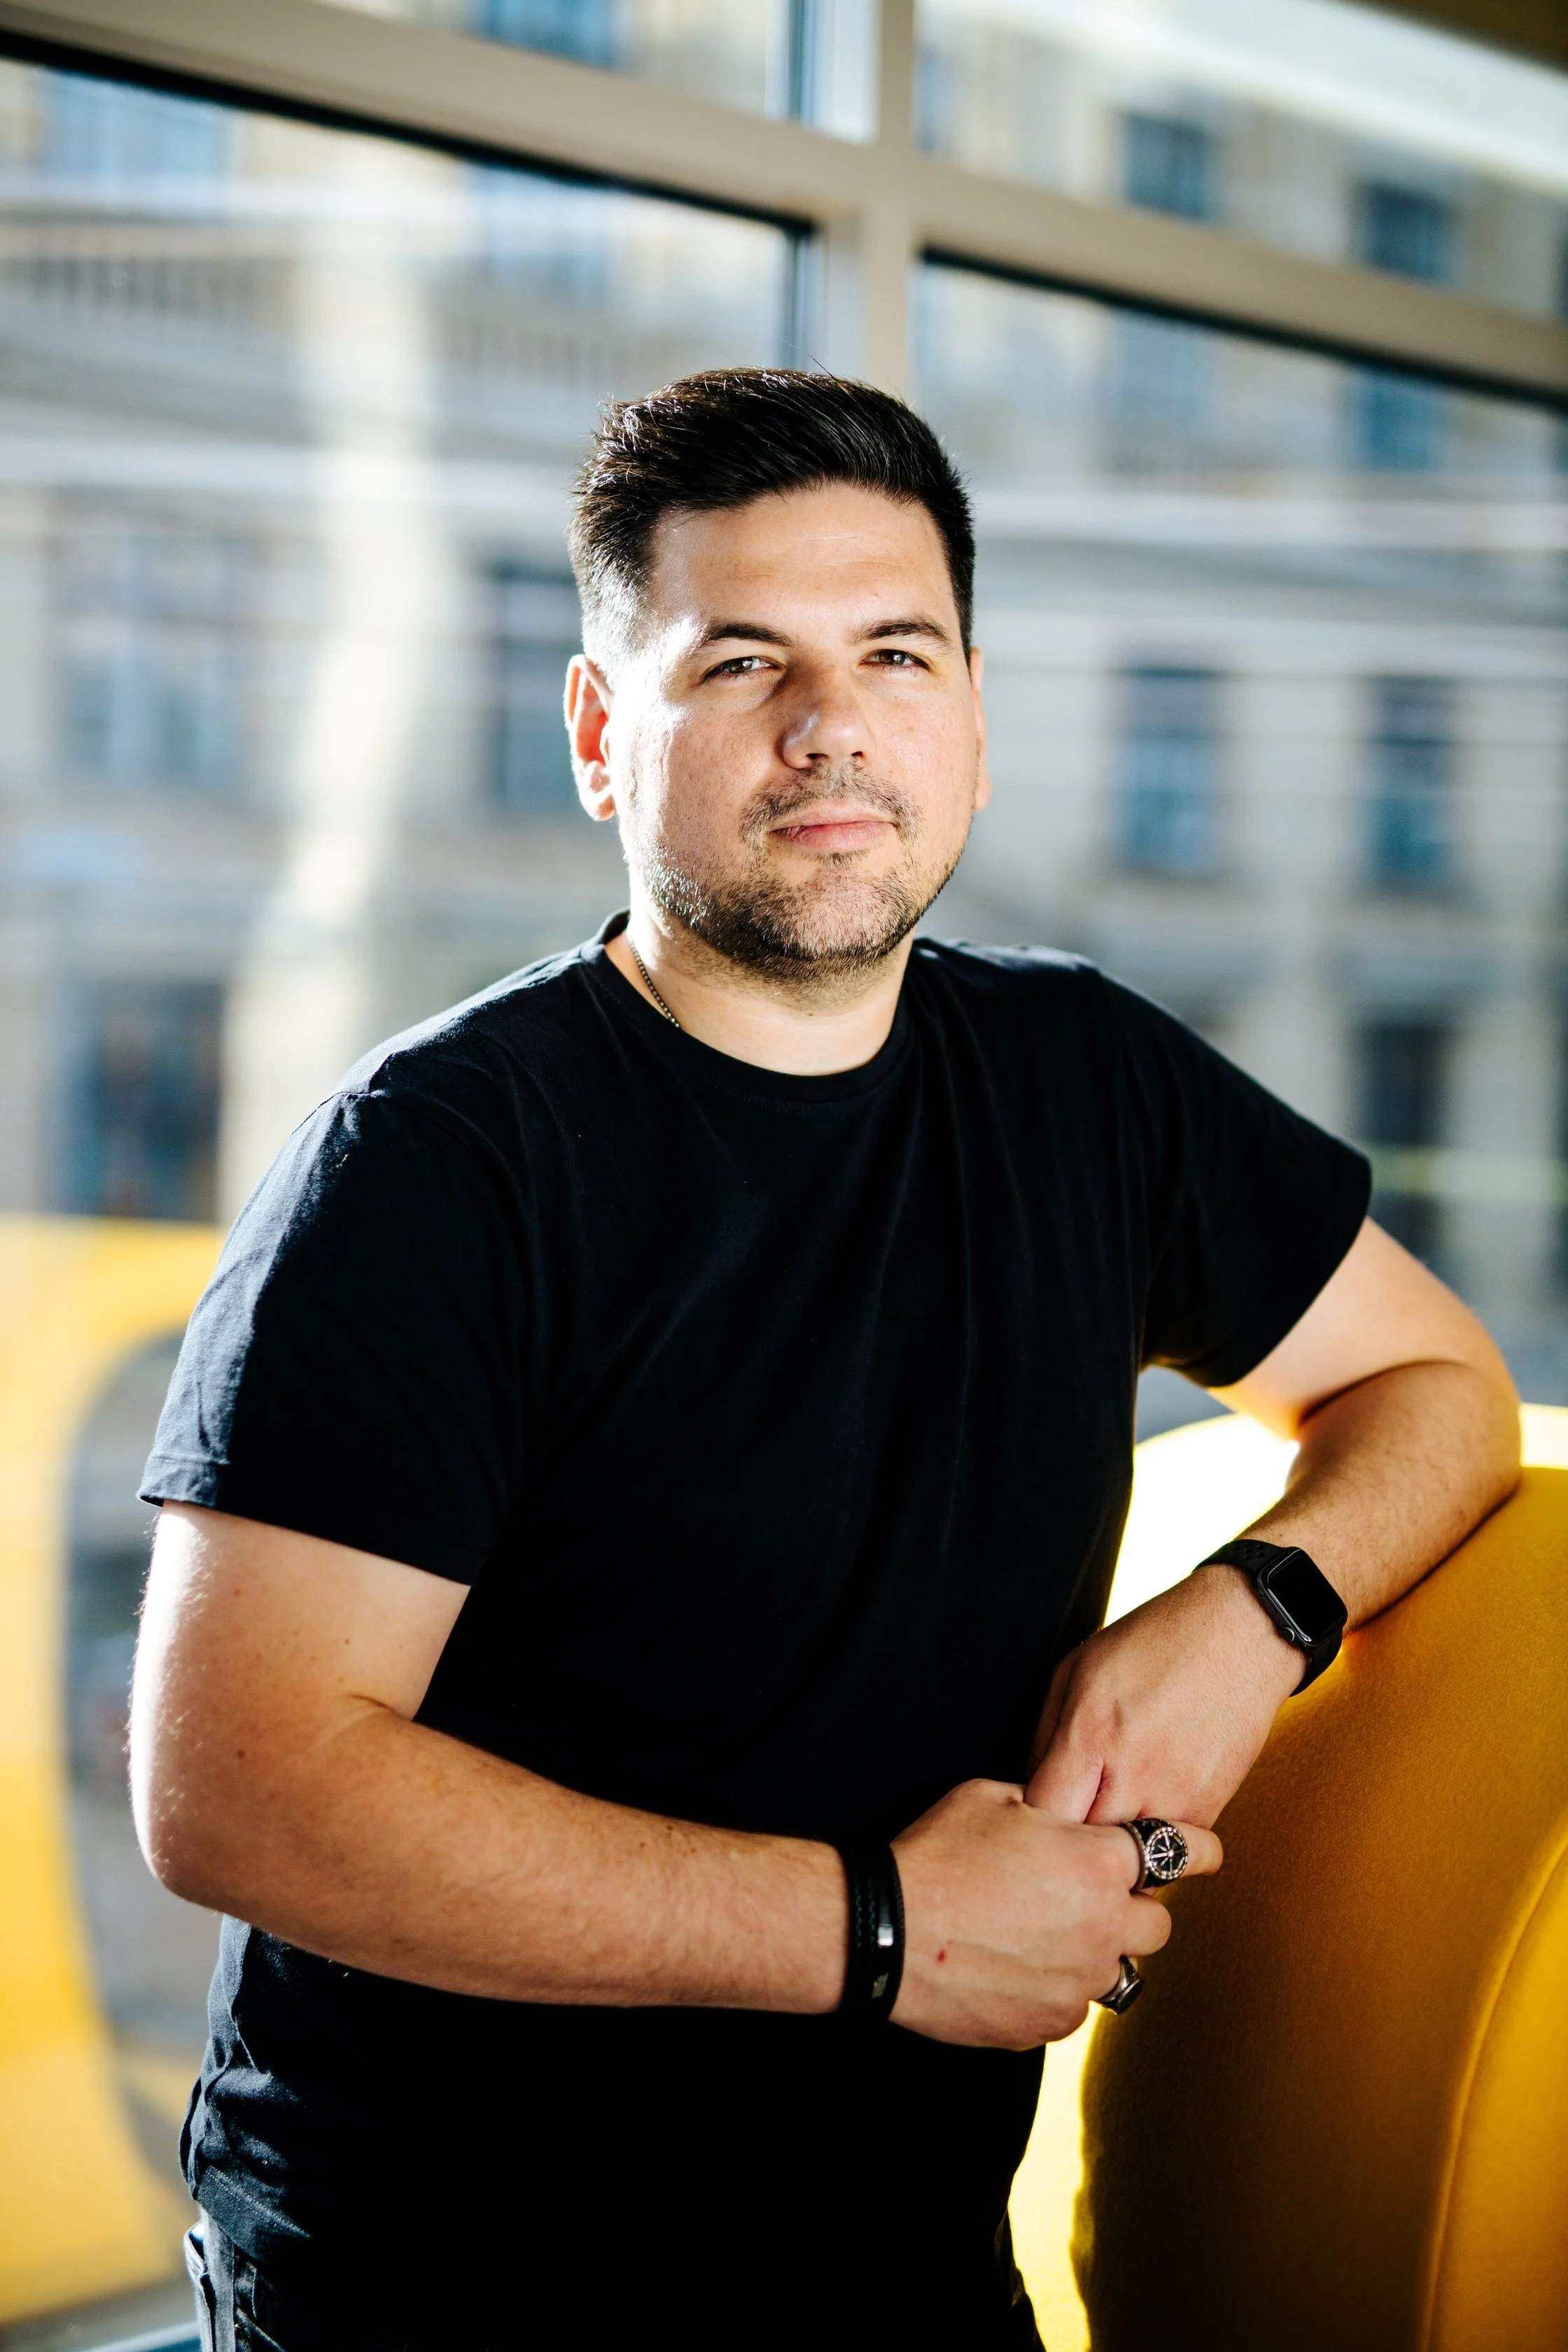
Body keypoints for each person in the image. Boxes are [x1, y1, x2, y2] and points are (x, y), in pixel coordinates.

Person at [132, 370, 1518, 2351]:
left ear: (971, 717)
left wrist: (1254, 1610)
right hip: (444, 2281)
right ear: (608, 737)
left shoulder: (1088, 1082)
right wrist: (880, 1928)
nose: (832, 725)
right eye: (741, 664)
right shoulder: (436, 1160)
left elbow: (1435, 1388)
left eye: (895, 651)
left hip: (906, 2273)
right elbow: (242, 1789)